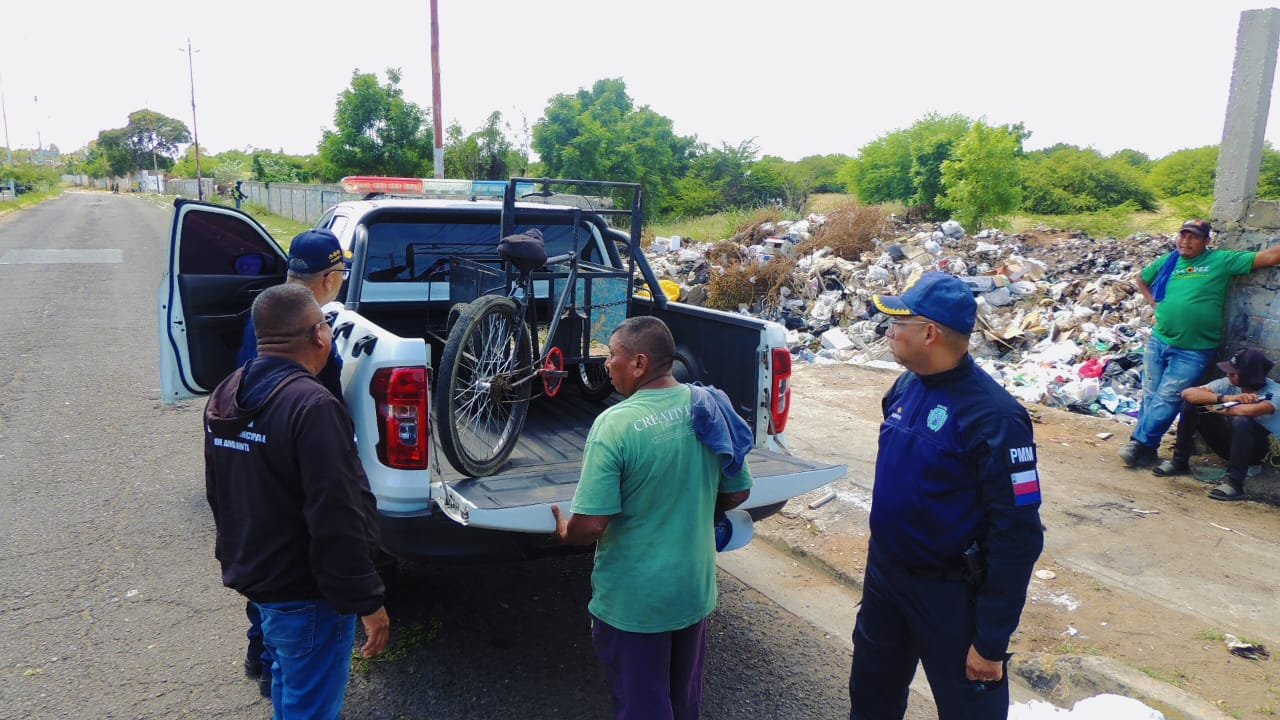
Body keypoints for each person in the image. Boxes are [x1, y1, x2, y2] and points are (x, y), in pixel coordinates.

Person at [851, 271, 1044, 720]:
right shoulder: (905, 386)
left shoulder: (995, 418)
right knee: (870, 695)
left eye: (898, 323)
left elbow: (1017, 535)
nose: (889, 332)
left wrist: (990, 640)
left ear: (930, 333)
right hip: (887, 578)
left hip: (950, 595)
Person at [550, 316, 754, 720]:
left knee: (643, 707)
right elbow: (738, 492)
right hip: (692, 591)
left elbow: (591, 524)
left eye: (612, 355)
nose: (606, 364)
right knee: (683, 703)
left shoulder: (615, 425)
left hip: (636, 604)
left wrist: (564, 531)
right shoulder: (710, 404)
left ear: (639, 364)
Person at [205, 284, 389, 719]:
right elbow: (337, 516)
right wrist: (367, 600)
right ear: (318, 336)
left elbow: (220, 494)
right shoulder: (312, 406)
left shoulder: (228, 391)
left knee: (290, 686)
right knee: (311, 707)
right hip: (309, 595)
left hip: (263, 581)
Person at [237, 228, 350, 693]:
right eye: (341, 271)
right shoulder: (308, 329)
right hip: (293, 460)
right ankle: (275, 666)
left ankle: (261, 655)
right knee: (292, 566)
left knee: (265, 559)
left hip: (253, 458)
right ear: (327, 277)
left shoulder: (267, 312)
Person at [1119, 219, 1280, 468]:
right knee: (1151, 395)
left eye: (1193, 237)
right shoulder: (1170, 261)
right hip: (1160, 340)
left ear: (1207, 241)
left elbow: (1269, 257)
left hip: (1194, 348)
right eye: (1183, 235)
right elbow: (1142, 278)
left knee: (1170, 396)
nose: (1186, 241)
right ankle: (1147, 448)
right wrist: (1154, 303)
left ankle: (1138, 443)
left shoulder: (1220, 261)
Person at [1152, 348, 1279, 501]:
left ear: (1248, 376)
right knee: (1191, 405)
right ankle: (1179, 462)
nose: (1228, 376)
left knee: (1242, 420)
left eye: (1233, 373)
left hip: (1259, 452)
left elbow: (1250, 410)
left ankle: (1235, 484)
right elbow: (1188, 393)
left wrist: (1222, 409)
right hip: (1232, 447)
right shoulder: (1229, 385)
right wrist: (1225, 398)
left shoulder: (1275, 392)